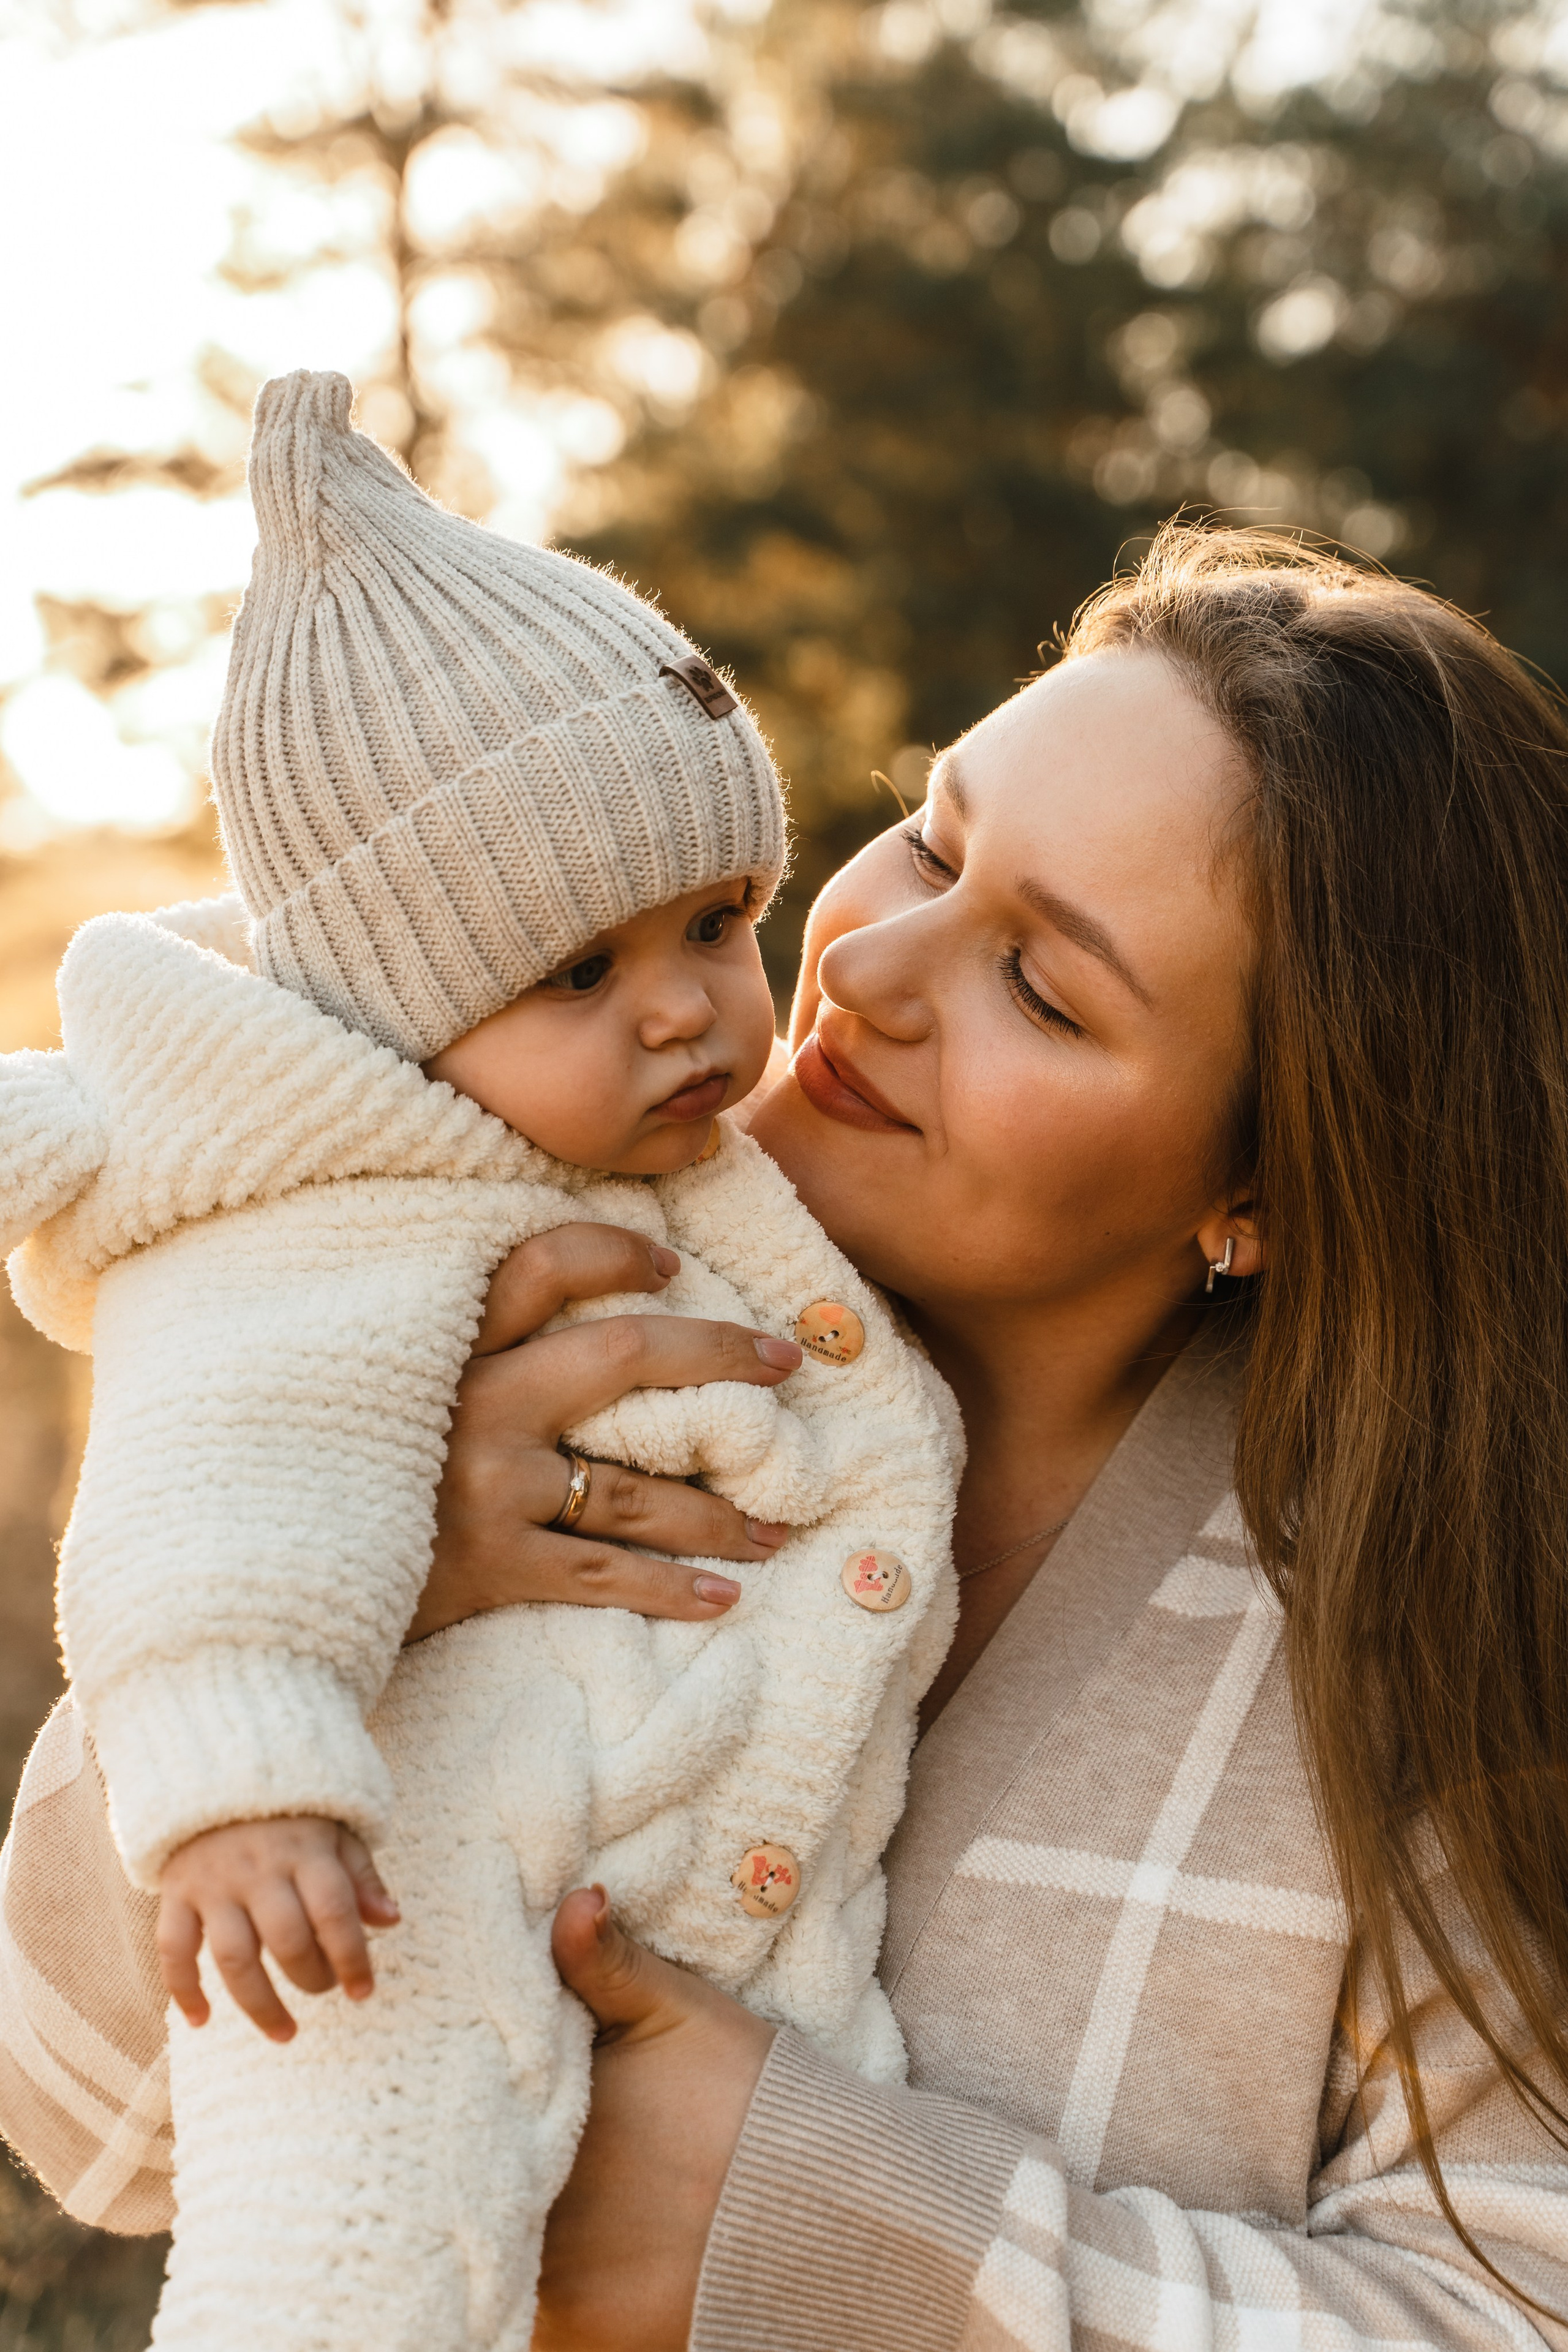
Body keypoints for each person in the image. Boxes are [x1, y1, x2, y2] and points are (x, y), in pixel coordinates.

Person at [4, 522, 1568, 2352]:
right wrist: (351, 1599)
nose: (873, 965)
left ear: (1269, 1185)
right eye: (932, 834)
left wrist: (824, 2231)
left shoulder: (1433, 1650)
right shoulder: (519, 1323)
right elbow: (85, 2123)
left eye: (1043, 987)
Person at [0, 371, 960, 2348]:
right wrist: (244, 1784)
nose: (696, 1014)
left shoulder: (620, 1160)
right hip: (382, 1879)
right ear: (406, 1008)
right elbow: (212, 1485)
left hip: (665, 1899)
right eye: (580, 973)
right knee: (351, 2255)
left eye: (716, 920)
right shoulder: (336, 1217)